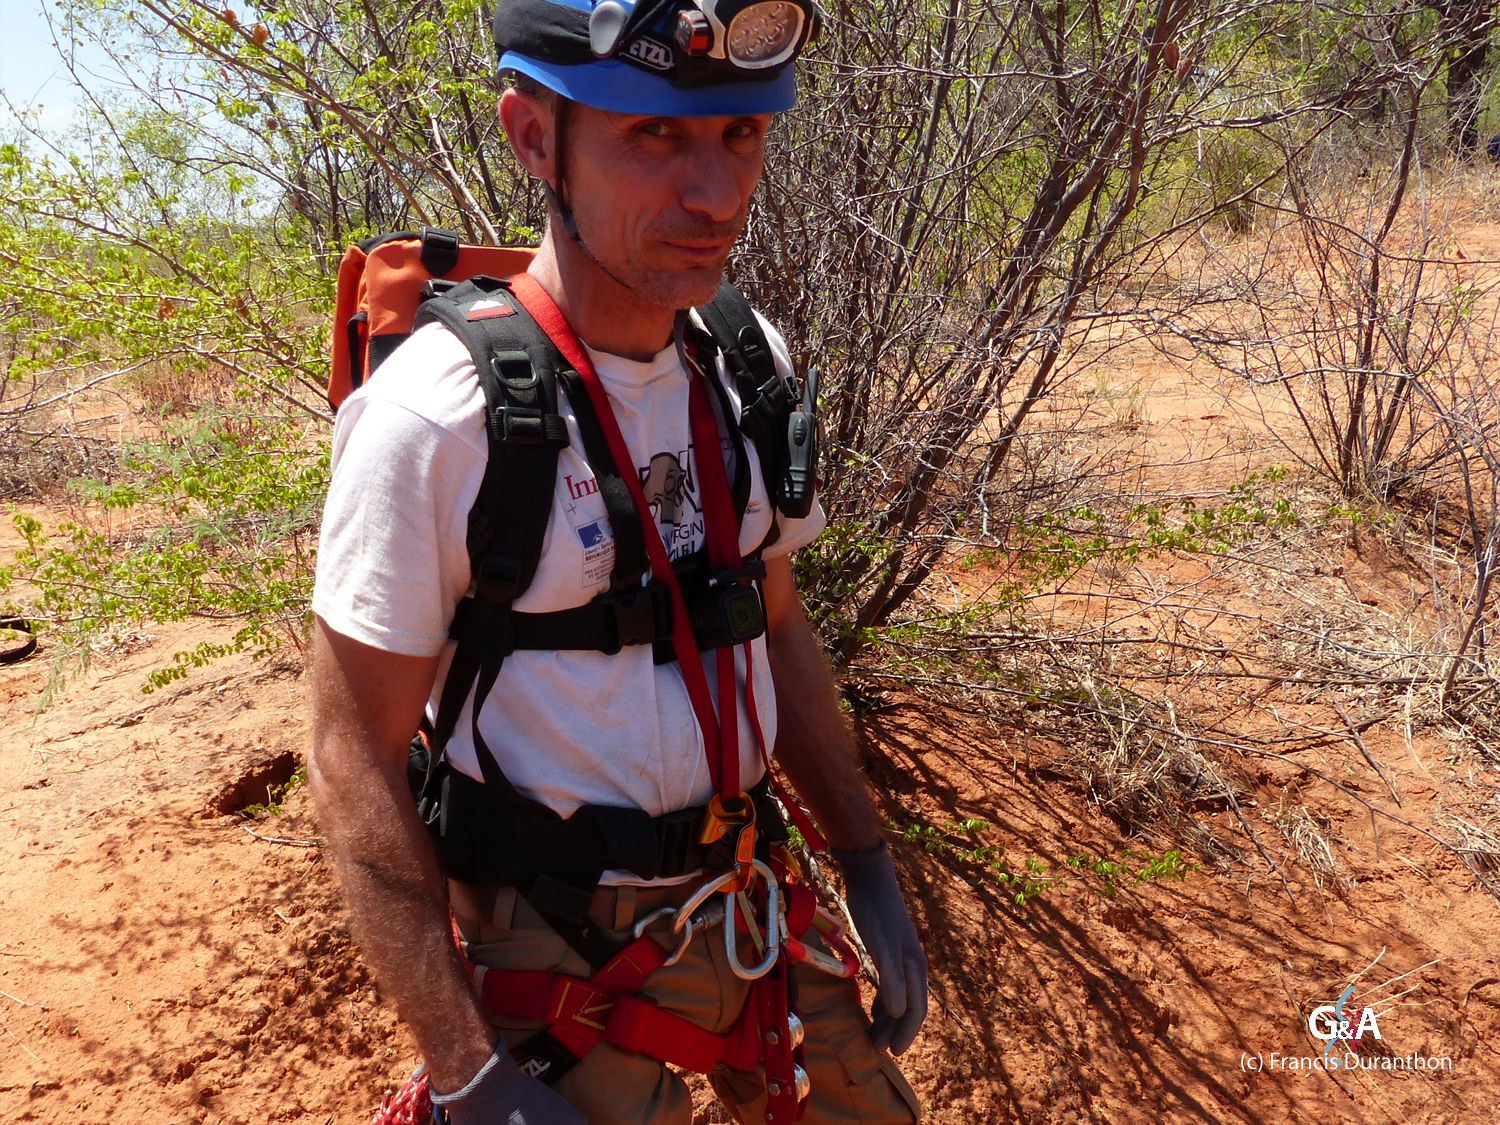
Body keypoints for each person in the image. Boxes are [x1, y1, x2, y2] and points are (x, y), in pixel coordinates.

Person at [308, 1, 928, 1122]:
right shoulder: (435, 421)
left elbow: (774, 621)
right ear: (534, 137)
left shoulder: (744, 362)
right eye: (654, 134)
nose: (717, 193)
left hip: (744, 889)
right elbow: (353, 754)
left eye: (741, 133)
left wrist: (865, 854)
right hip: (552, 937)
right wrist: (469, 1071)